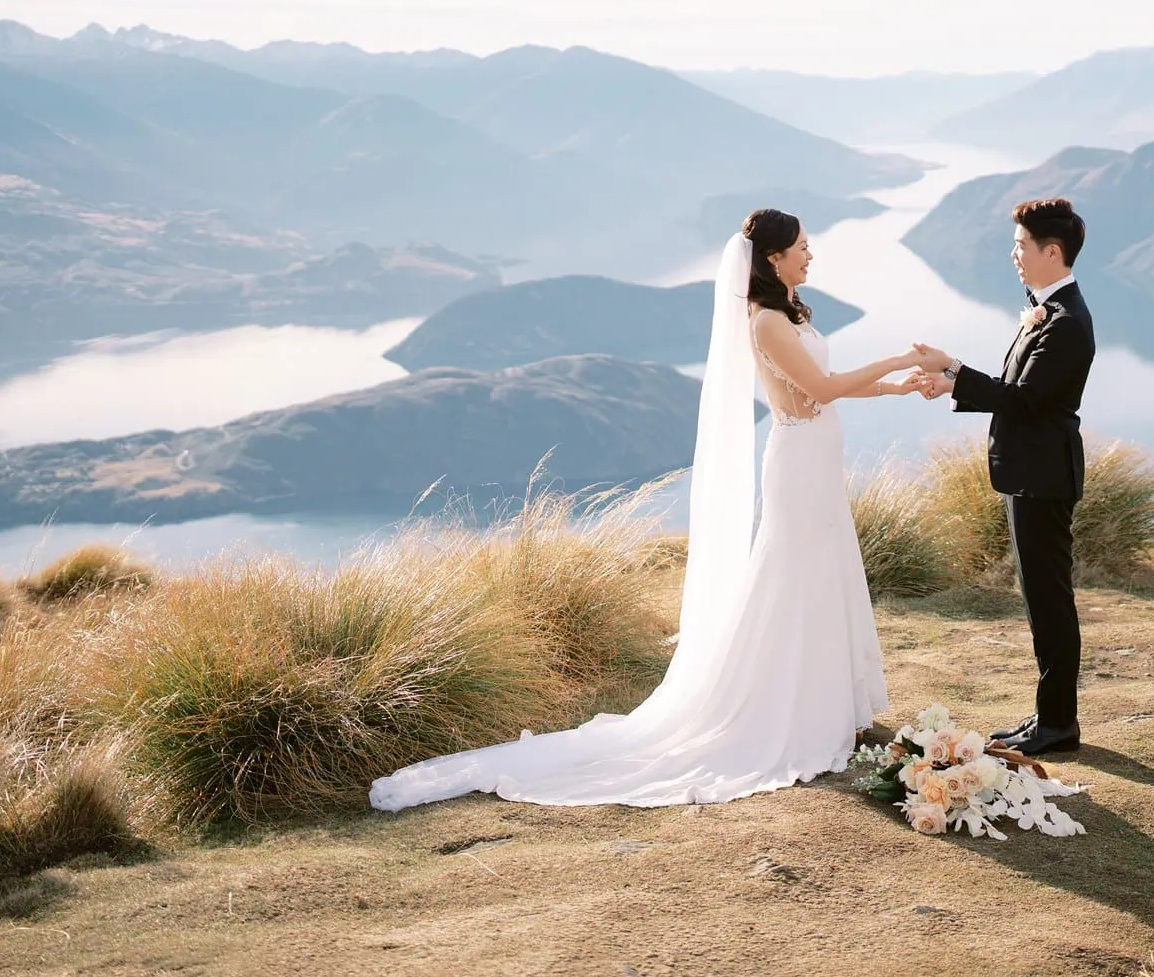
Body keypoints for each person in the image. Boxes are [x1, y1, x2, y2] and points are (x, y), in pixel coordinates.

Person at [368, 208, 919, 811]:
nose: (811, 255)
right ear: (773, 258)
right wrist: (896, 361)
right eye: (803, 247)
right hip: (798, 464)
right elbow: (821, 390)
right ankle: (786, 709)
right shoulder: (765, 322)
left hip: (817, 456)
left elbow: (824, 381)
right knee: (795, 576)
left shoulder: (789, 315)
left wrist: (895, 388)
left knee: (823, 569)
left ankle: (828, 703)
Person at [905, 197, 1095, 757]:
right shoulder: (1048, 310)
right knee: (1041, 598)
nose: (1014, 254)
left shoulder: (1066, 323)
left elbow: (1024, 400)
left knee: (1049, 600)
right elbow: (1018, 393)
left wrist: (953, 370)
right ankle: (1050, 715)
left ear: (1051, 252)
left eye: (1021, 245)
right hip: (1030, 474)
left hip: (1043, 477)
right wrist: (951, 378)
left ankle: (1058, 725)